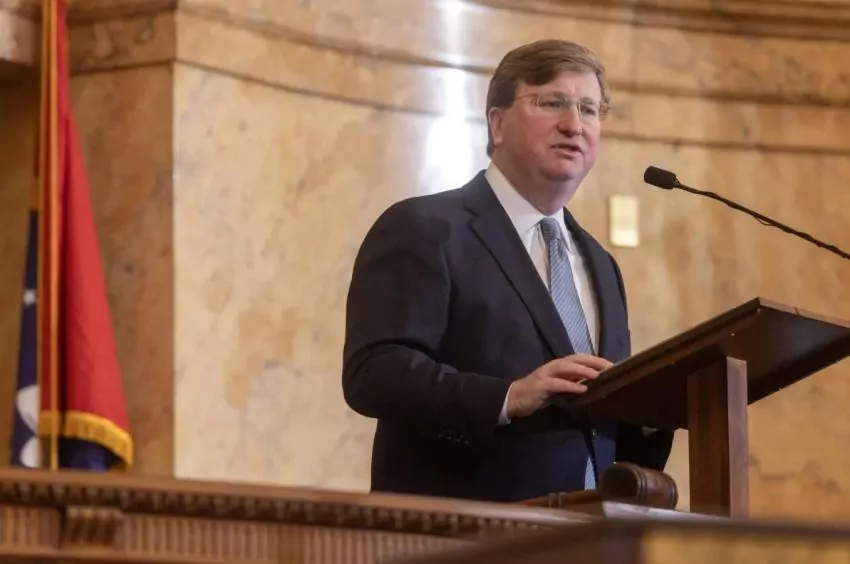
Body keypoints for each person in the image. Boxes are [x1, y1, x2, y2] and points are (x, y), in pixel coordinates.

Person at [341, 39, 674, 503]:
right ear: (497, 124)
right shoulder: (426, 228)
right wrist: (507, 397)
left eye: (589, 109)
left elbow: (598, 434)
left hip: (587, 532)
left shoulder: (601, 265)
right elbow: (374, 373)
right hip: (459, 529)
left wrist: (656, 410)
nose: (574, 124)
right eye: (552, 102)